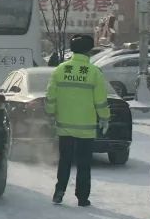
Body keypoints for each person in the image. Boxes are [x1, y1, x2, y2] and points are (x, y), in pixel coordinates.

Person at [45, 34, 110, 207]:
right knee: (84, 163)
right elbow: (101, 100)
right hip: (86, 127)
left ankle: (59, 192)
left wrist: (51, 113)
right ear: (88, 51)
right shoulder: (94, 73)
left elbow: (51, 96)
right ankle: (82, 198)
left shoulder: (60, 69)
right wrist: (104, 118)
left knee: (65, 160)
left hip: (64, 125)